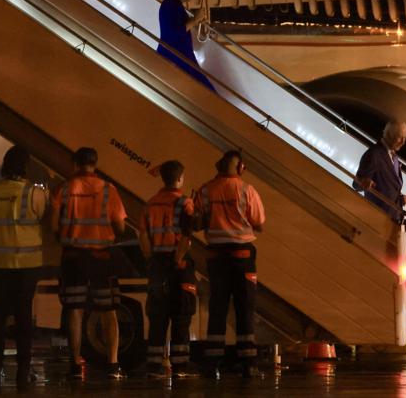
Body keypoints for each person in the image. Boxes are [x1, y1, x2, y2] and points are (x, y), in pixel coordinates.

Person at [51, 147, 127, 379]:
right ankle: (113, 364)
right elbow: (121, 227)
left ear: (75, 164)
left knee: (74, 311)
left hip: (73, 258)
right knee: (108, 310)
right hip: (102, 258)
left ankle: (75, 364)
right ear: (95, 163)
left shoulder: (64, 189)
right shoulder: (108, 189)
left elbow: (54, 226)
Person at [196, 150, 265, 379]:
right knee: (244, 308)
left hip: (216, 257)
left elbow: (196, 220)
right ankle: (248, 364)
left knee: (218, 307)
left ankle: (212, 363)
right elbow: (259, 223)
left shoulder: (206, 190)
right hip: (242, 256)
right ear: (241, 167)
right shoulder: (247, 190)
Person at [0, 147, 46, 390]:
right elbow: (41, 216)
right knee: (23, 318)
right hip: (26, 266)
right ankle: (22, 371)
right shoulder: (33, 193)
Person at [138, 160, 199, 379]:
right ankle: (181, 366)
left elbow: (143, 235)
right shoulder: (185, 203)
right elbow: (186, 234)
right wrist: (178, 258)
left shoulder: (150, 204)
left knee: (157, 316)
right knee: (182, 315)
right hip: (178, 264)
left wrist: (150, 258)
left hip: (157, 264)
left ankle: (154, 366)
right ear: (180, 178)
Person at [157, 0, 215, 91]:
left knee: (204, 88)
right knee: (204, 89)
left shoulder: (175, 4)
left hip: (182, 55)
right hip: (176, 56)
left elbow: (179, 25)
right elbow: (172, 34)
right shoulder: (170, 4)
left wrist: (195, 20)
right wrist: (194, 20)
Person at [353, 120, 406, 222]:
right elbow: (356, 184)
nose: (403, 142)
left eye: (405, 138)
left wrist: (401, 198)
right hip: (377, 219)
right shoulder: (373, 154)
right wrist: (363, 183)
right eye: (400, 137)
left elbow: (389, 189)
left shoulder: (395, 157)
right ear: (388, 134)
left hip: (392, 220)